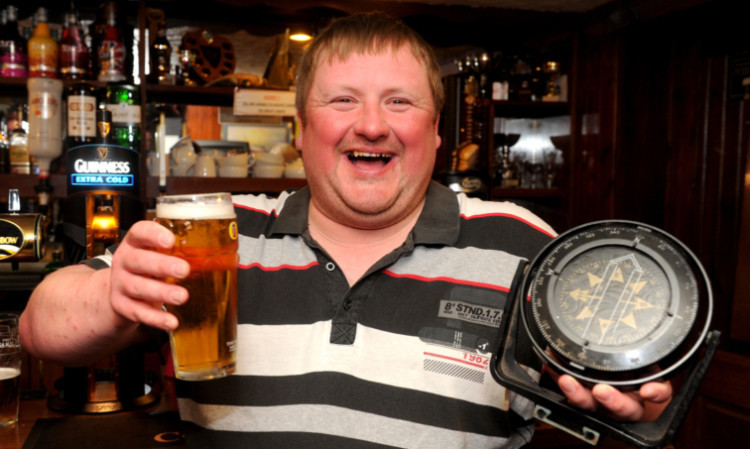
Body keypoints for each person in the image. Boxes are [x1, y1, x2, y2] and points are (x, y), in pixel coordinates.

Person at [19, 12, 671, 448]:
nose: (371, 125)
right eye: (343, 100)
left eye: (399, 101)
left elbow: (613, 380)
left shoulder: (519, 243)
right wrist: (113, 295)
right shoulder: (220, 233)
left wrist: (630, 397)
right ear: (299, 133)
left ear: (436, 133)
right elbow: (40, 323)